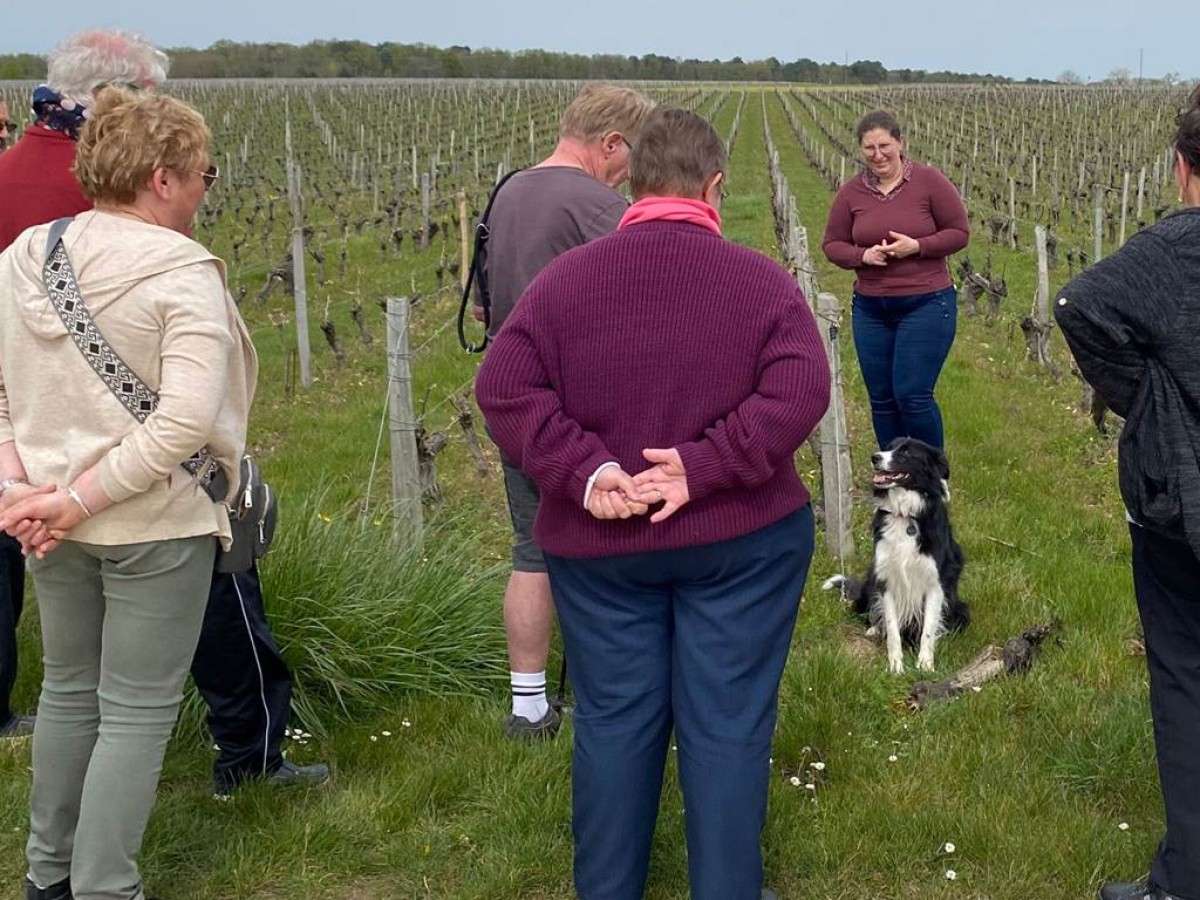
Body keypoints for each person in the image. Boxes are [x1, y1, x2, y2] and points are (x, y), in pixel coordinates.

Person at [477, 106, 831, 900]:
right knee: (728, 725)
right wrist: (705, 467)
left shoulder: (563, 284)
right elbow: (804, 386)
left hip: (603, 551)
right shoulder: (762, 283)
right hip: (741, 546)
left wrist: (589, 471)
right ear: (714, 188)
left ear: (630, 182)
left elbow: (501, 386)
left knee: (612, 721)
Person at [0, 28, 327, 795]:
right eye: (149, 91)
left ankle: (56, 860)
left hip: (39, 465)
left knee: (70, 683)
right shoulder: (112, 203)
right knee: (205, 618)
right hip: (141, 476)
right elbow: (177, 404)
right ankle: (249, 754)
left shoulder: (11, 175)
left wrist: (22, 488)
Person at [0, 86, 254, 900]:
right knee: (137, 712)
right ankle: (106, 886)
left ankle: (47, 878)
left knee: (68, 693)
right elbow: (183, 421)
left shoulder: (23, 256)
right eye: (203, 174)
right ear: (163, 178)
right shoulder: (184, 270)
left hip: (49, 522)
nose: (205, 189)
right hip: (153, 518)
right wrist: (74, 500)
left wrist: (19, 493)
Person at [473, 82, 653, 739]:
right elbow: (641, 299)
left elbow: (481, 306)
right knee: (604, 544)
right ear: (610, 143)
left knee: (532, 549)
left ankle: (528, 707)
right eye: (630, 156)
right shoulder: (601, 205)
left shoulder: (508, 191)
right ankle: (600, 693)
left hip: (510, 397)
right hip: (582, 405)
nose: (630, 170)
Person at [1056, 87, 1200, 900]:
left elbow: (1078, 305)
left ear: (1183, 169)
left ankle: (1186, 880)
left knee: (1185, 678)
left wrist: (1148, 397)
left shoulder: (1172, 248)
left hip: (1180, 504)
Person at [821, 110, 969, 451]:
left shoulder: (930, 182)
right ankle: (897, 469)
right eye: (869, 148)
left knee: (912, 395)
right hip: (871, 308)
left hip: (926, 303)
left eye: (885, 145)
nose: (878, 154)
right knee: (883, 399)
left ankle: (931, 475)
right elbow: (832, 244)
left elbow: (959, 233)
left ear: (901, 143)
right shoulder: (850, 193)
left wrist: (917, 246)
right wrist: (862, 256)